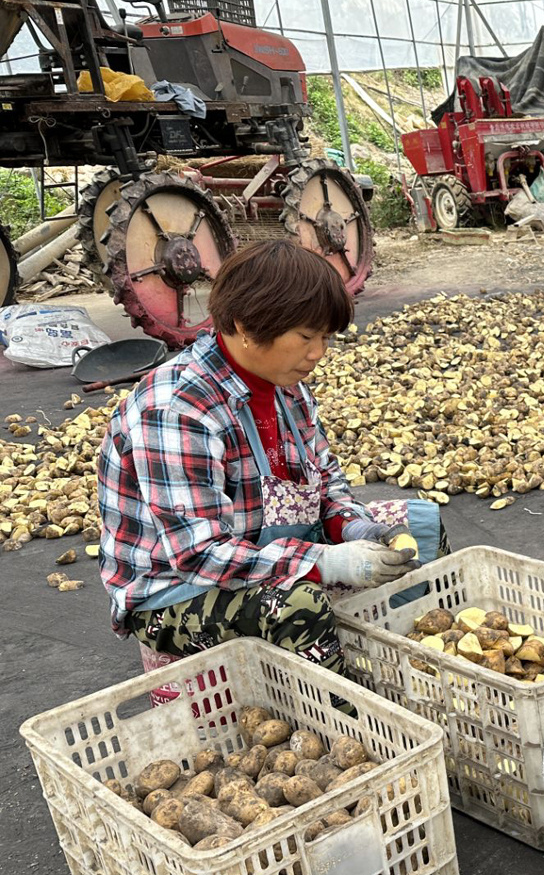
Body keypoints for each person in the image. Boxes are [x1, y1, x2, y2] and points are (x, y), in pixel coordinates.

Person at [97, 241, 441, 679]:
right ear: (245, 324)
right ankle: (349, 713)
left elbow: (327, 485)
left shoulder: (286, 385)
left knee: (422, 528)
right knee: (297, 604)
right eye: (306, 337)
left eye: (325, 338)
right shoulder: (177, 410)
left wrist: (359, 528)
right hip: (175, 591)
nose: (318, 353)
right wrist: (326, 562)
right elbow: (200, 555)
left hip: (264, 546)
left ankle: (414, 666)